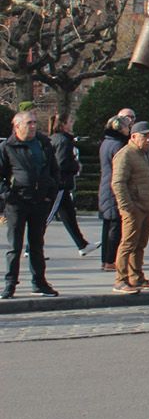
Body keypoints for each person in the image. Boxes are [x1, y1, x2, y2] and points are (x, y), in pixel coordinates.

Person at [1, 109, 61, 298]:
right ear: (17, 126)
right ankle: (10, 284)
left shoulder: (43, 144)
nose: (33, 126)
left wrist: (50, 192)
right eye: (29, 123)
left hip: (39, 201)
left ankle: (39, 282)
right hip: (17, 203)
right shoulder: (8, 147)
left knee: (37, 245)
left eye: (35, 122)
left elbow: (54, 170)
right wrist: (8, 195)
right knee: (15, 246)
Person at [110, 121, 149, 294]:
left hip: (147, 207)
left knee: (140, 244)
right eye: (144, 136)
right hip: (134, 208)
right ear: (133, 137)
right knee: (128, 244)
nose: (148, 139)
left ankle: (136, 276)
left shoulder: (145, 154)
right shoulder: (126, 154)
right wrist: (128, 207)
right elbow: (118, 183)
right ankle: (120, 279)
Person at [47, 113, 92, 255]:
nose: (72, 123)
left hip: (61, 184)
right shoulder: (63, 141)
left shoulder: (56, 139)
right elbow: (61, 164)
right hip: (60, 183)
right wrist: (76, 166)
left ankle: (82, 244)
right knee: (48, 215)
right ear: (63, 124)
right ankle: (30, 247)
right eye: (70, 121)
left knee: (69, 215)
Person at [96, 113, 131, 272]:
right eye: (126, 126)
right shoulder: (118, 145)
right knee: (115, 225)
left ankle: (106, 259)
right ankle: (110, 259)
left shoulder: (106, 142)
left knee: (108, 224)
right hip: (113, 188)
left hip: (105, 186)